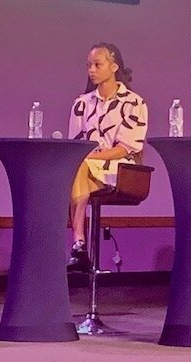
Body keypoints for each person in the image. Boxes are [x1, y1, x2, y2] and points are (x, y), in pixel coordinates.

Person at [67, 43, 148, 272]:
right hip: (87, 166)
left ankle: (78, 245)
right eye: (88, 65)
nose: (91, 70)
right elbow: (76, 144)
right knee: (75, 168)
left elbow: (127, 147)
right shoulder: (81, 104)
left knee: (78, 170)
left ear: (113, 67)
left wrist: (93, 156)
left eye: (97, 64)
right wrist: (86, 157)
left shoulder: (134, 102)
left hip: (121, 169)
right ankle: (79, 245)